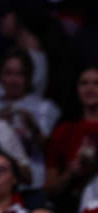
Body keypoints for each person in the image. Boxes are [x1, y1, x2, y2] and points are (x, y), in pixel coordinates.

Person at [0, 50, 60, 188]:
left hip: (35, 182)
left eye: (20, 74)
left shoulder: (45, 107)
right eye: (8, 73)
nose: (14, 79)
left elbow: (53, 152)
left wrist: (33, 126)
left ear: (29, 77)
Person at [45, 67, 98, 212]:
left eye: (96, 83)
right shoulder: (64, 131)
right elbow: (50, 188)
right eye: (84, 83)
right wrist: (70, 173)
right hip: (72, 204)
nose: (90, 88)